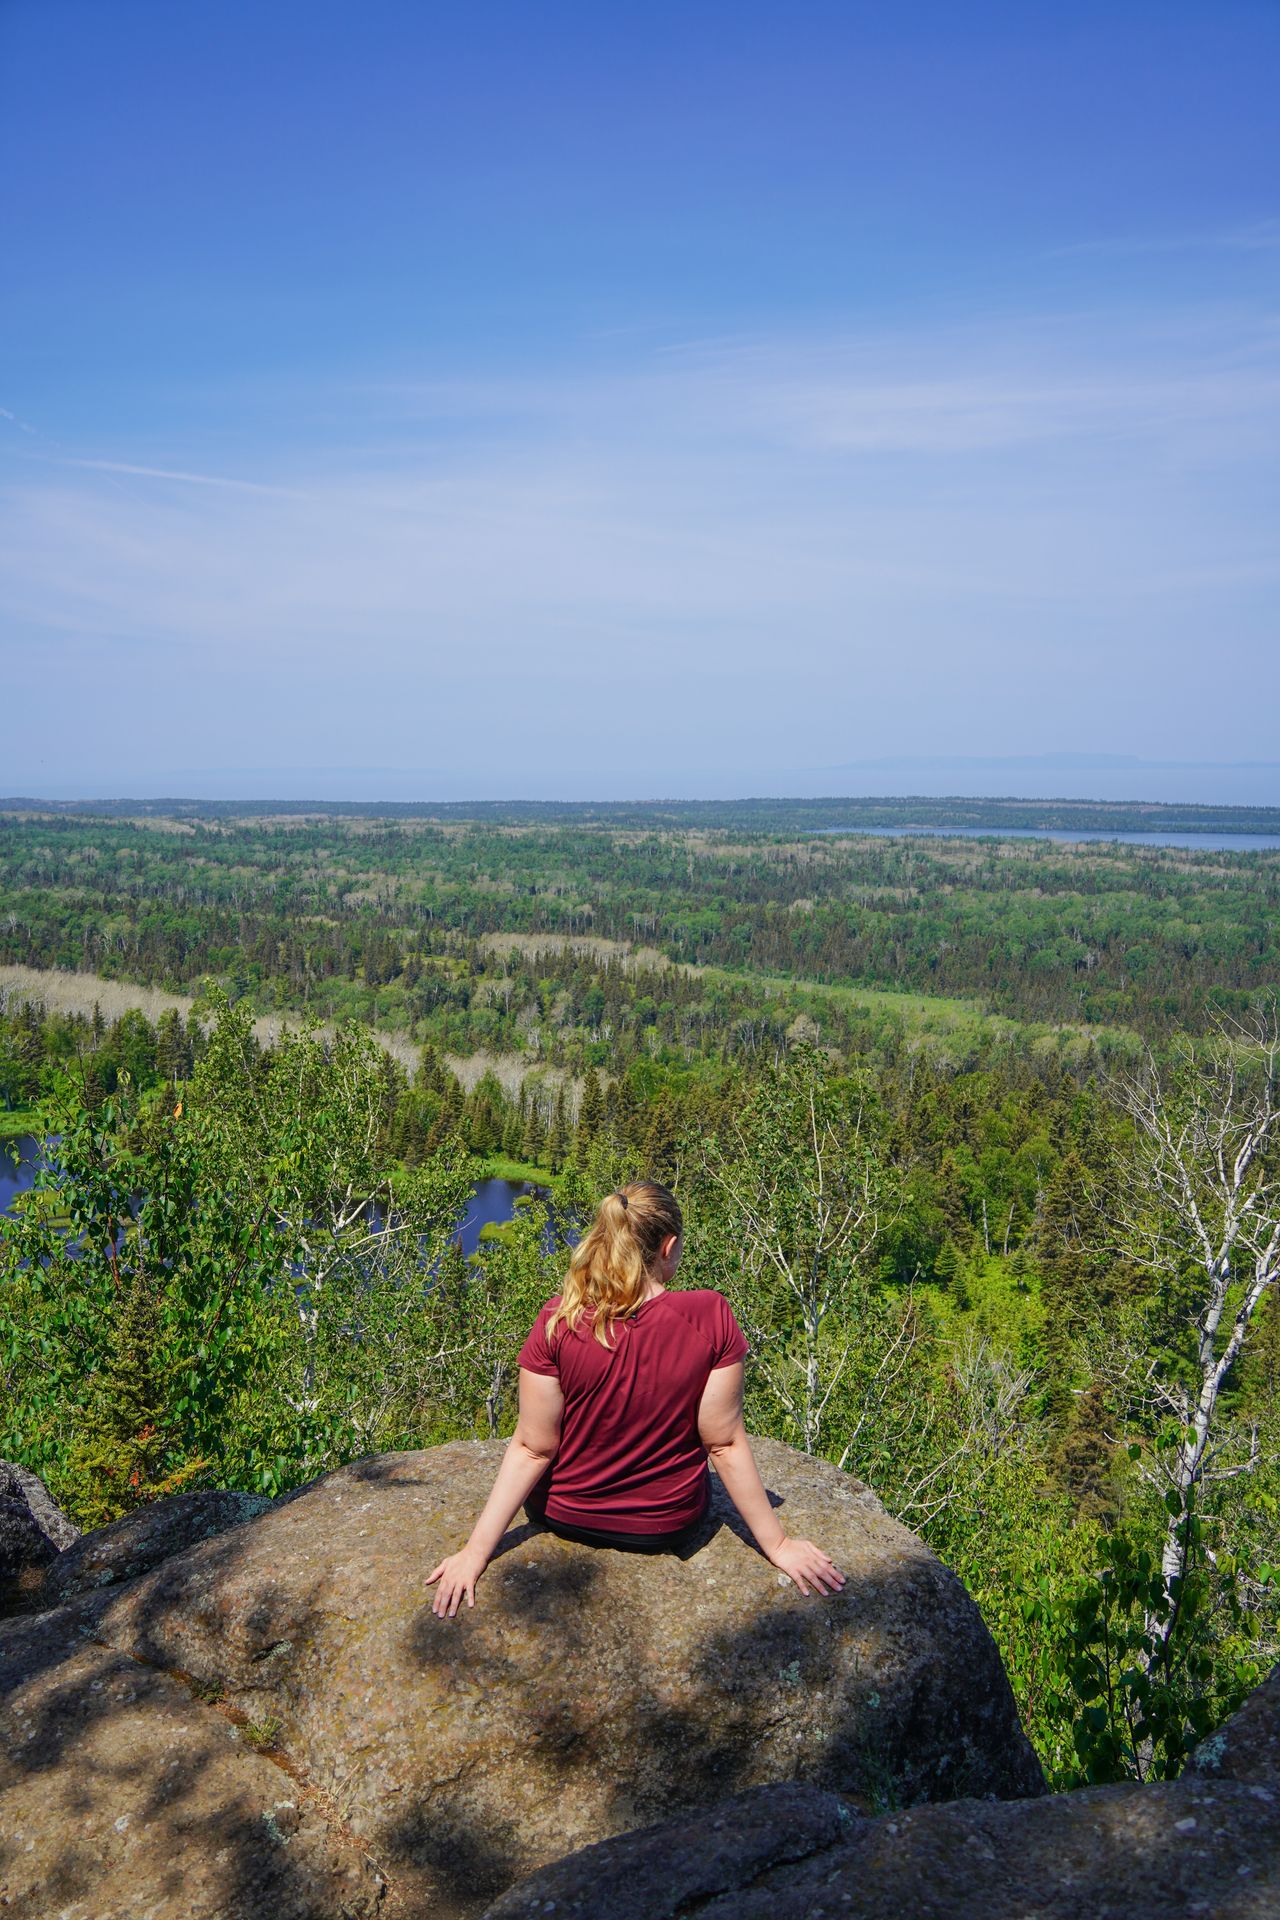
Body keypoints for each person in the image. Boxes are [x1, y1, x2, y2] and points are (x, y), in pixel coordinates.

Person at [427, 1180, 846, 1617]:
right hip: (664, 1525)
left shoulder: (558, 1318)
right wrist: (778, 1545)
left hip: (563, 1513)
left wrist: (475, 1554)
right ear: (668, 1246)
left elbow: (534, 1447)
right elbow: (722, 1443)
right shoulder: (710, 1315)